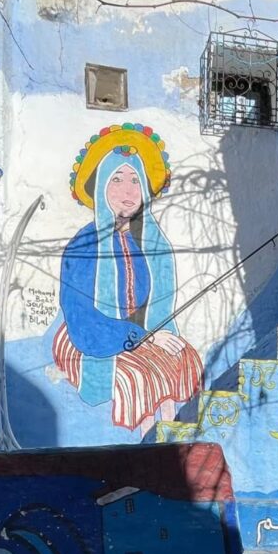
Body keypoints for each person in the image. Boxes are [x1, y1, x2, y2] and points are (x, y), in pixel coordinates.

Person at [52, 123, 203, 435]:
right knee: (140, 376)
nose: (128, 191)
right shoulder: (84, 244)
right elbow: (80, 315)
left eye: (135, 180)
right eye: (116, 180)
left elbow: (162, 305)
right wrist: (139, 337)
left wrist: (158, 336)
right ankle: (153, 444)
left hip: (144, 334)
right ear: (101, 187)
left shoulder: (152, 242)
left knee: (184, 359)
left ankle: (172, 440)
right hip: (92, 333)